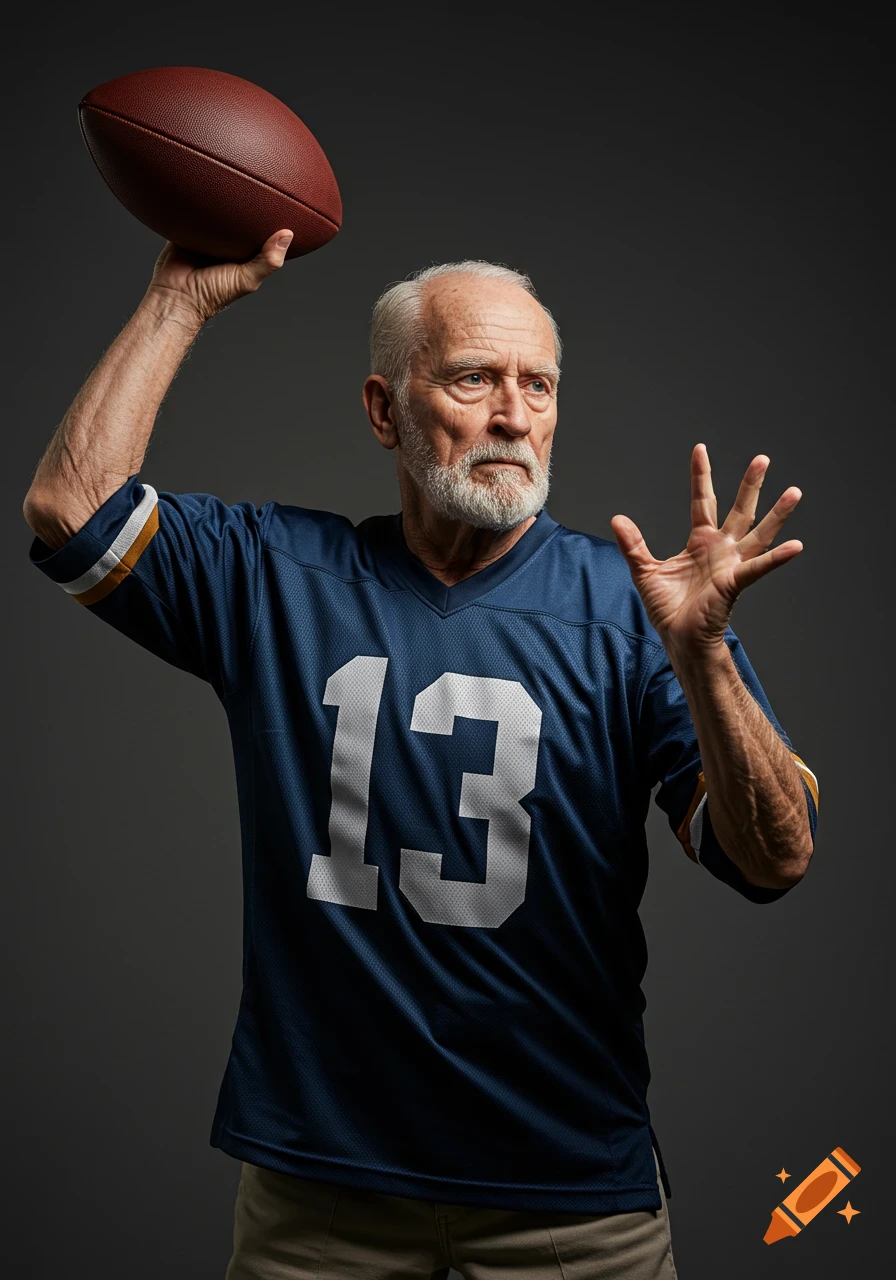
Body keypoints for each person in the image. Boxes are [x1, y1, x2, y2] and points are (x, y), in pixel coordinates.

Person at [23, 230, 818, 1279]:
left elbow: (770, 859)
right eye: (472, 378)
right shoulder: (278, 578)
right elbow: (74, 508)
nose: (511, 415)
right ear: (382, 409)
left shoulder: (637, 610)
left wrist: (704, 658)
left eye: (537, 384)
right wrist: (179, 299)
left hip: (570, 1198)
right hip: (319, 1195)